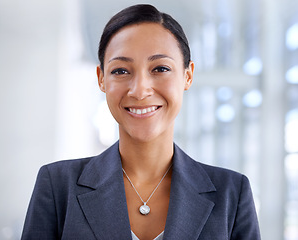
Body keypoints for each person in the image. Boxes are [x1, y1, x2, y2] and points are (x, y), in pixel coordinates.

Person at [21, 4, 261, 240]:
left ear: (187, 76)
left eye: (160, 68)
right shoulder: (58, 186)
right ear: (101, 79)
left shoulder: (232, 193)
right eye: (121, 71)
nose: (139, 90)